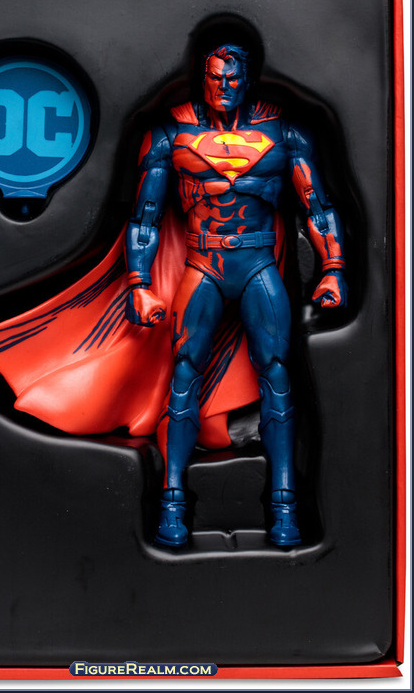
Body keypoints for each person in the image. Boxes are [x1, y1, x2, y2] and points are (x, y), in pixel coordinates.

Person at [125, 42, 347, 548]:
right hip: (202, 262)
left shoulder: (283, 133)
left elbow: (317, 206)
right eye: (216, 77)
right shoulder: (172, 135)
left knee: (277, 374)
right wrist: (138, 284)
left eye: (233, 78)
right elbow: (144, 218)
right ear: (201, 77)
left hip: (258, 263)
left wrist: (333, 269)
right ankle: (172, 502)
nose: (224, 86)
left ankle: (285, 505)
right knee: (184, 372)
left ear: (248, 79)